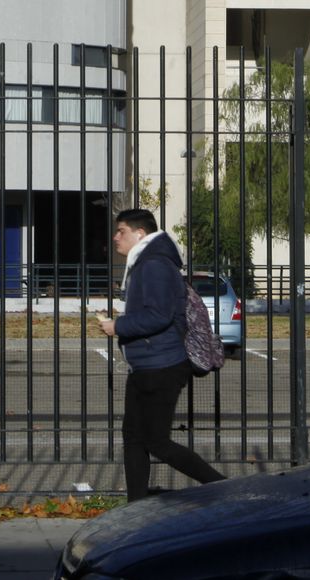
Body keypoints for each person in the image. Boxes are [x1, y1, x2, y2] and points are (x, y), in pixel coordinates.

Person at [98, 207, 226, 500]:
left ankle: (222, 485)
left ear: (140, 234)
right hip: (146, 364)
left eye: (121, 231)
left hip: (162, 365)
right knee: (133, 438)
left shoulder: (153, 264)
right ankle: (137, 503)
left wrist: (118, 325)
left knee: (156, 441)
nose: (115, 237)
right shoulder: (146, 262)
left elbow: (159, 316)